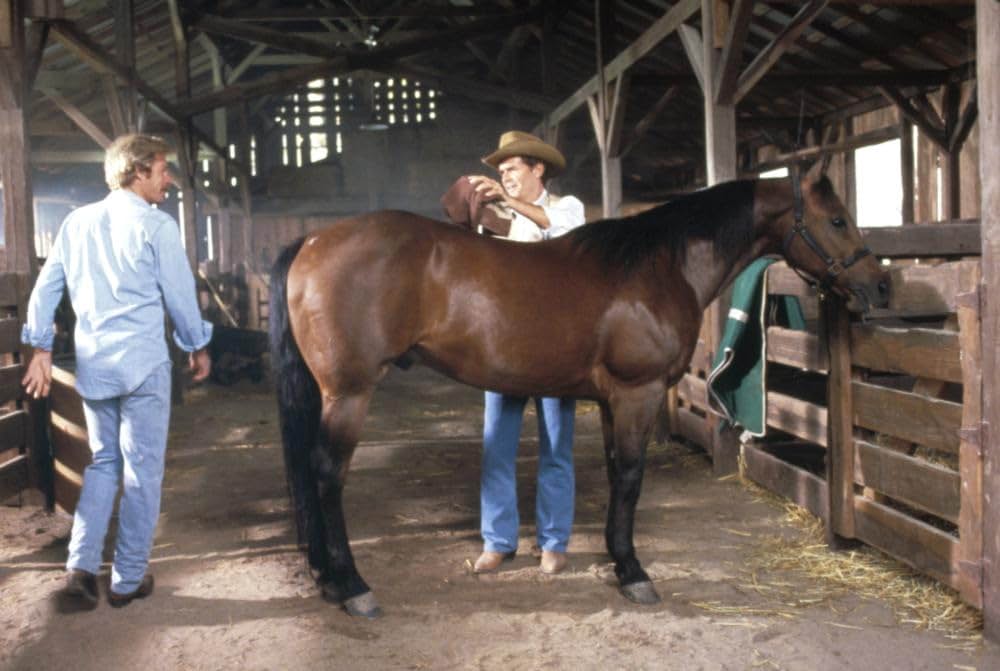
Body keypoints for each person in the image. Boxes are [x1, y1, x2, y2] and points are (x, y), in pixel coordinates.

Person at [21, 133, 213, 611]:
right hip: (144, 365)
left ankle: (80, 569)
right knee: (143, 471)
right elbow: (179, 294)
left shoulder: (76, 222)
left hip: (97, 365)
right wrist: (196, 345)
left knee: (104, 463)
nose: (169, 179)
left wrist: (41, 345)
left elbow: (46, 290)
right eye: (162, 169)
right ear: (137, 171)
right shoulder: (157, 227)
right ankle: (126, 580)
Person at [466, 131, 586, 575]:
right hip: (507, 345)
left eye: (512, 168)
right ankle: (498, 541)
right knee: (497, 444)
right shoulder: (503, 218)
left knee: (556, 445)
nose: (505, 177)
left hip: (556, 345)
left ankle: (553, 542)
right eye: (501, 172)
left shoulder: (567, 207)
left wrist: (509, 204)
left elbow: (563, 238)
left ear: (538, 169)